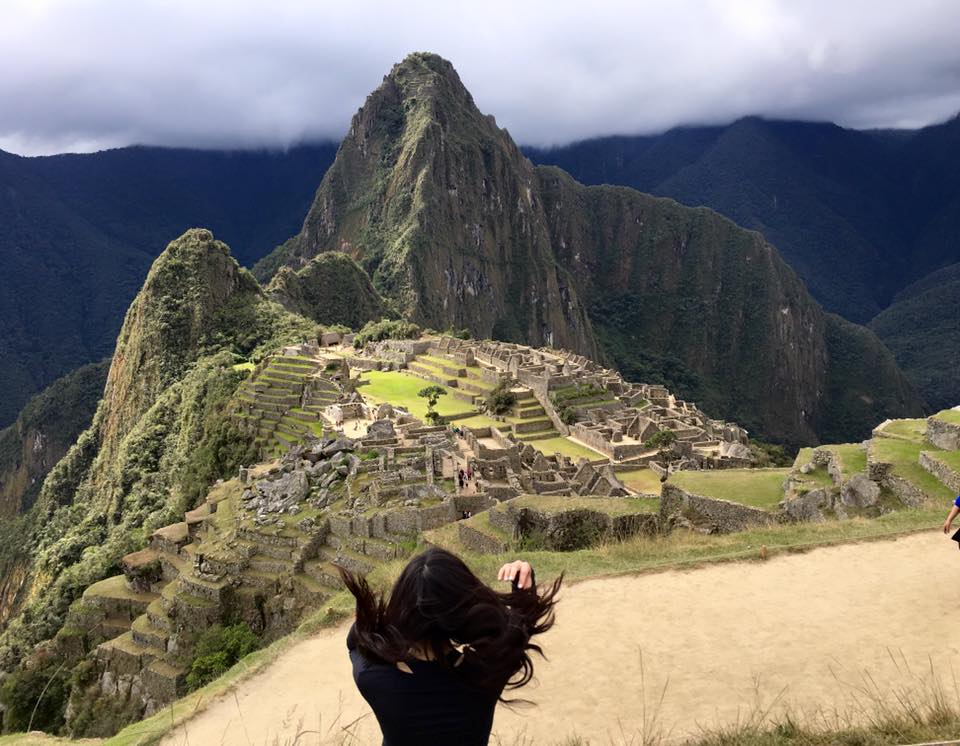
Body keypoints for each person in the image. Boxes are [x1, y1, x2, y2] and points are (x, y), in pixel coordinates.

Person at [340, 548, 561, 745]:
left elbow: (354, 641)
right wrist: (523, 585)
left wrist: (394, 615)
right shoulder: (488, 671)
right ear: (464, 606)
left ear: (402, 608)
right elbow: (518, 626)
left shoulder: (372, 676)